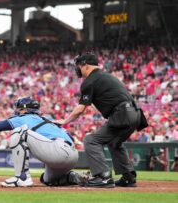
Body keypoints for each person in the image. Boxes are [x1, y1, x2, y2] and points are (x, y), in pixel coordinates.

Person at [53, 53, 148, 188]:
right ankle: (128, 177)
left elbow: (80, 109)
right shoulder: (106, 76)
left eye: (79, 66)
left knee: (90, 140)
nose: (78, 69)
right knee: (114, 142)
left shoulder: (90, 81)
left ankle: (103, 176)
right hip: (136, 113)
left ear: (85, 66)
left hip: (123, 114)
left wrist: (65, 120)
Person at [0, 97, 86, 187]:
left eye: (19, 109)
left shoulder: (24, 117)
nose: (18, 111)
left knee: (19, 132)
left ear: (25, 110)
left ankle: (22, 177)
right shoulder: (47, 119)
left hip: (58, 151)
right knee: (47, 180)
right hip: (72, 155)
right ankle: (71, 176)